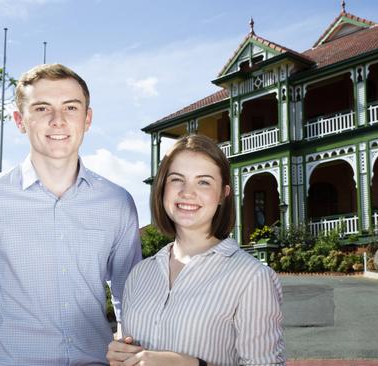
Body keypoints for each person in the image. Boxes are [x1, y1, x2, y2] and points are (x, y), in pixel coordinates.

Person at [0, 63, 142, 365]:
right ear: (20, 120)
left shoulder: (118, 203)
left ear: (87, 118)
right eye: (42, 109)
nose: (58, 120)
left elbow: (132, 305)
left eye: (70, 107)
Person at [106, 135, 285, 366]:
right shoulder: (139, 275)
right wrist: (122, 355)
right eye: (177, 179)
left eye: (203, 182)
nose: (187, 192)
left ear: (223, 194)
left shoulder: (253, 278)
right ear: (162, 188)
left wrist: (188, 363)